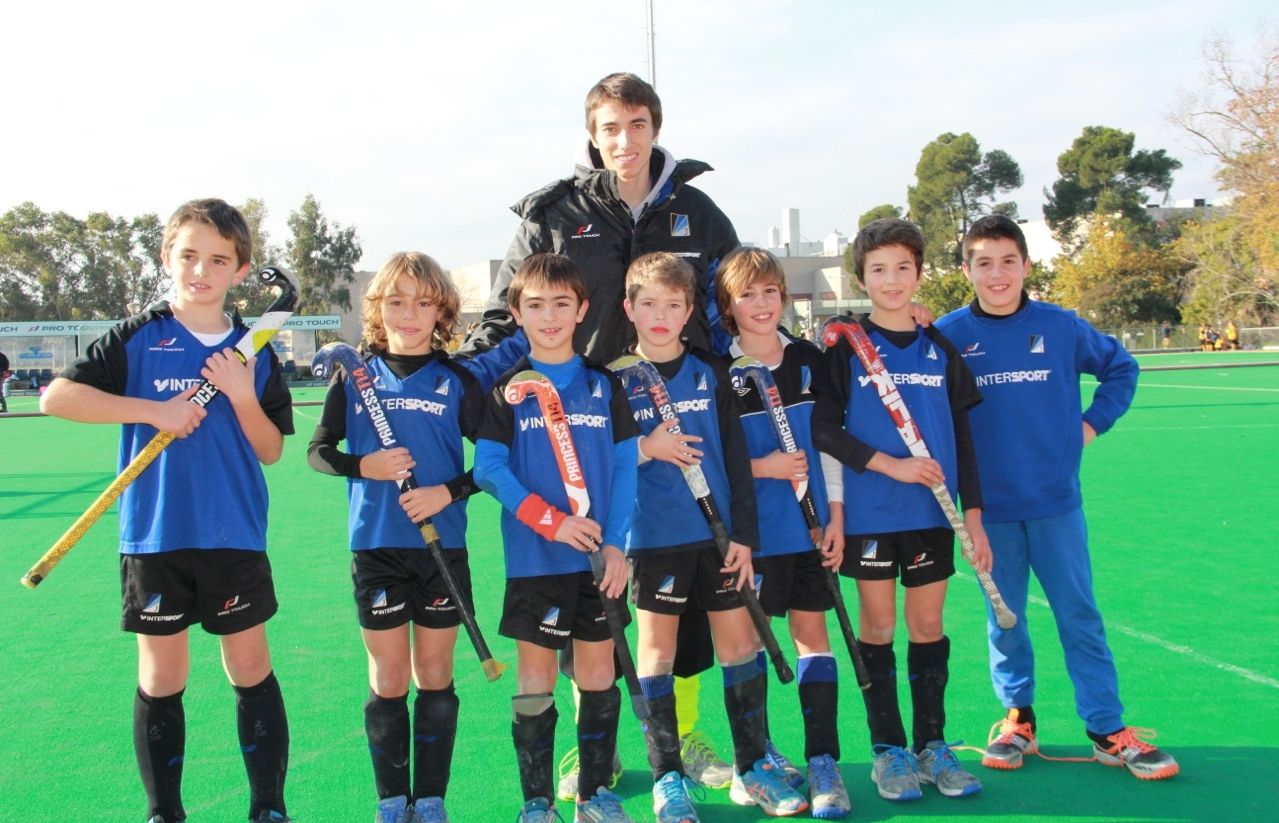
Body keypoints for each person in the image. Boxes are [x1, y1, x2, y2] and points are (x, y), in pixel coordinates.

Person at [40, 199, 294, 823]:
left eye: (218, 260)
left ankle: (267, 807)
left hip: (233, 531)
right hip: (154, 535)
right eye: (188, 256)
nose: (201, 271)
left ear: (240, 270)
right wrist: (156, 412)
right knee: (161, 678)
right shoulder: (138, 337)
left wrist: (239, 395)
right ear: (166, 258)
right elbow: (57, 397)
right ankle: (165, 811)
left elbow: (271, 450)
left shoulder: (251, 348)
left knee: (250, 669)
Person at [936, 214, 1179, 781]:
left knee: (1080, 616)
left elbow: (1121, 367)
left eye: (1008, 261)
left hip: (1056, 505)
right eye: (984, 262)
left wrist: (1090, 424)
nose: (997, 274)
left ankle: (1105, 728)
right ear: (967, 270)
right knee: (1006, 619)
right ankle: (1018, 717)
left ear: (1025, 265)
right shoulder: (947, 335)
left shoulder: (1061, 326)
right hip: (989, 512)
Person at [307, 252, 512, 823]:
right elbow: (319, 453)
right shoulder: (357, 374)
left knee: (436, 675)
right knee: (390, 677)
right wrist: (362, 467)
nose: (410, 313)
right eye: (396, 301)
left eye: (423, 302)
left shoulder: (459, 380)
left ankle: (433, 800)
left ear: (442, 310)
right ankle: (392, 801)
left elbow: (494, 463)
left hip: (441, 547)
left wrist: (449, 491)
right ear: (378, 308)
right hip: (376, 546)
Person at [619, 252, 808, 820]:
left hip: (720, 540)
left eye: (673, 305)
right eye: (648, 304)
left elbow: (735, 459)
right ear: (628, 308)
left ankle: (752, 768)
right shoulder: (613, 380)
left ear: (688, 312)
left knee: (739, 646)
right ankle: (666, 779)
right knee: (656, 654)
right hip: (653, 541)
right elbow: (597, 456)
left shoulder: (711, 373)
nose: (660, 315)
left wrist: (744, 539)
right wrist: (645, 448)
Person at [813, 218, 989, 802]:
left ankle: (932, 745)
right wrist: (892, 466)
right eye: (879, 269)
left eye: (903, 268)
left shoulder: (940, 345)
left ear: (920, 272)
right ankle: (888, 750)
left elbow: (965, 437)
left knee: (928, 626)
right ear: (862, 276)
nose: (892, 280)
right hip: (869, 514)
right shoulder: (843, 347)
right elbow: (823, 429)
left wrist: (975, 516)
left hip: (932, 516)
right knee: (879, 627)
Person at [473, 253, 639, 823]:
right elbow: (489, 470)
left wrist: (615, 543)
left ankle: (596, 794)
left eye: (561, 305)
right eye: (536, 306)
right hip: (536, 559)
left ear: (582, 310)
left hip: (600, 563)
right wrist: (552, 522)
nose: (549, 317)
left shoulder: (603, 384)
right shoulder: (507, 389)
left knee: (597, 674)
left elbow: (624, 468)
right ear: (516, 313)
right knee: (537, 677)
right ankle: (537, 803)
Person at [460, 71, 740, 365]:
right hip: (584, 404)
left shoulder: (699, 213)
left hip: (683, 400)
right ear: (593, 136)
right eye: (610, 128)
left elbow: (739, 309)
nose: (625, 141)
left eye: (637, 125)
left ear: (655, 131)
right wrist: (459, 379)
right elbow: (508, 319)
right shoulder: (553, 218)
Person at [716, 247, 851, 819]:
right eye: (747, 294)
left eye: (770, 291)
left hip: (811, 529)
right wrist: (762, 467)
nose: (761, 303)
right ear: (727, 304)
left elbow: (829, 444)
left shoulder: (809, 360)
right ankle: (756, 761)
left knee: (811, 636)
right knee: (746, 643)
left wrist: (838, 514)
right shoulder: (716, 371)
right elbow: (707, 462)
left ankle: (823, 760)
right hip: (753, 536)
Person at [0, 347, 10, 412]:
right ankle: (4, 407)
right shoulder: (3, 356)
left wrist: (4, 371)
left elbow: (6, 365)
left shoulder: (2, 356)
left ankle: (4, 407)